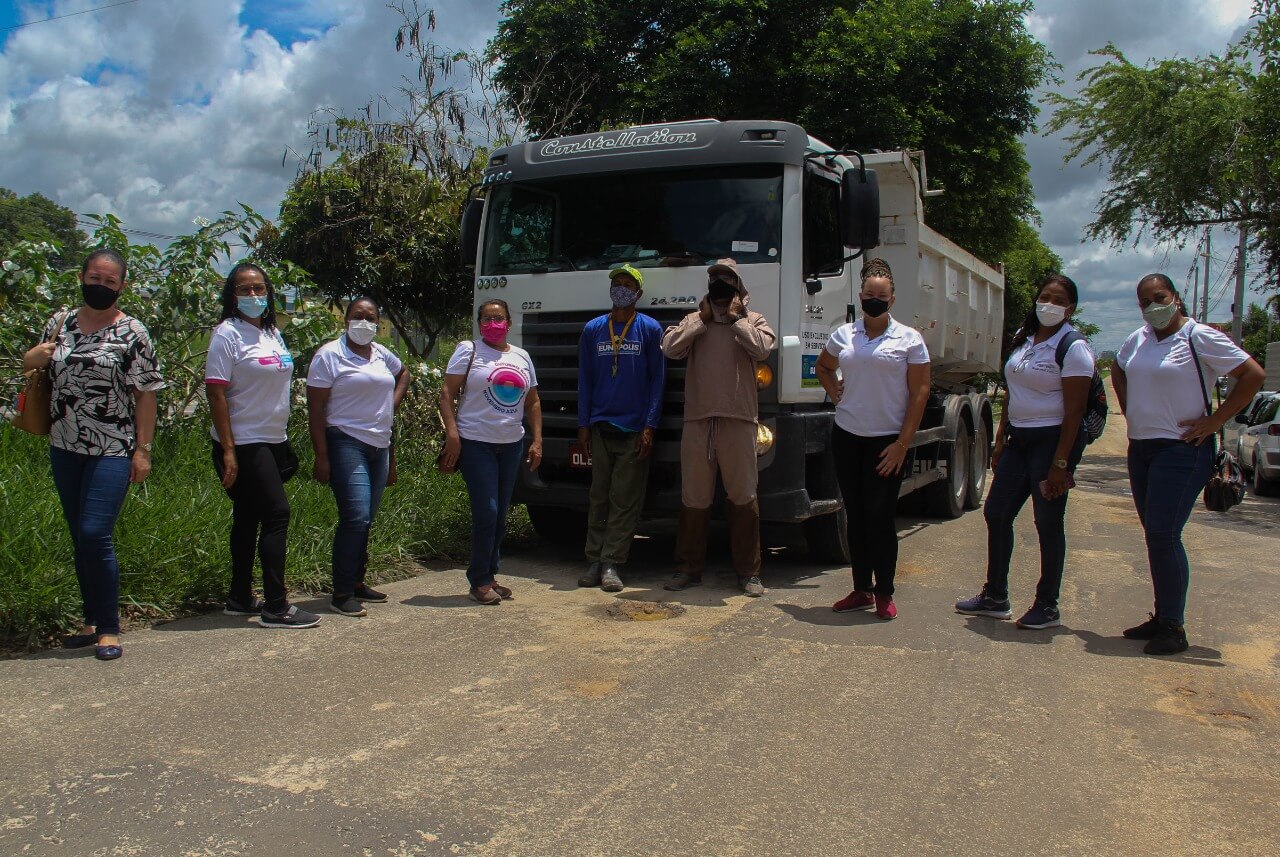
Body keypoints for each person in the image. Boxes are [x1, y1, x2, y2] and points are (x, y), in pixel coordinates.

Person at [1112, 273, 1264, 655]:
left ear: (1175, 297)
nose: (1152, 307)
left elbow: (1252, 374)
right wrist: (1131, 410)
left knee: (1165, 534)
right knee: (1154, 534)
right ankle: (1162, 614)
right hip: (1142, 449)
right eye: (1144, 302)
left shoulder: (1199, 337)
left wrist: (1216, 421)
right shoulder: (1139, 338)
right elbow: (1117, 368)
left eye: (1158, 297)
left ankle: (1174, 627)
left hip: (1181, 450)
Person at [23, 249, 163, 661]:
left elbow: (146, 395)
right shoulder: (61, 321)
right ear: (81, 277)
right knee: (78, 537)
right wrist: (31, 359)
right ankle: (88, 620)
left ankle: (109, 628)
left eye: (109, 281)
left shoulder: (133, 332)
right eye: (94, 278)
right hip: (64, 445)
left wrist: (143, 451)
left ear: (122, 286)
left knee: (93, 534)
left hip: (113, 448)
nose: (99, 286)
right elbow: (38, 367)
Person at [955, 274, 1095, 630]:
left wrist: (1060, 464)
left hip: (1053, 442)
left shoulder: (1073, 346)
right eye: (1044, 296)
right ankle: (995, 596)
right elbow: (1012, 395)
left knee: (1047, 522)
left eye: (1059, 300)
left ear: (1071, 308)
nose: (1049, 304)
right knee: (997, 513)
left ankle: (1047, 605)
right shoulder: (1027, 341)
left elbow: (1075, 412)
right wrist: (1000, 441)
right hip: (1020, 438)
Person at [205, 262, 320, 629]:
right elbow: (216, 392)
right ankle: (276, 605)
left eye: (259, 289)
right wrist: (228, 449)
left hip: (272, 439)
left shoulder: (271, 333)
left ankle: (240, 596)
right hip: (244, 441)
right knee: (277, 513)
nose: (253, 295)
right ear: (231, 295)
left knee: (249, 516)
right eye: (244, 289)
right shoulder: (227, 334)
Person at [815, 258, 930, 621]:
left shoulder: (910, 339)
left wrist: (901, 445)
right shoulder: (844, 334)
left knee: (879, 517)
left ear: (892, 299)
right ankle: (861, 588)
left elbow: (919, 393)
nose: (874, 300)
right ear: (860, 296)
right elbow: (823, 366)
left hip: (886, 443)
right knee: (856, 514)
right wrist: (836, 394)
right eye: (868, 294)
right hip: (848, 436)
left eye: (881, 296)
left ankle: (885, 592)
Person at [661, 258, 776, 596]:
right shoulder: (696, 320)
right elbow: (669, 348)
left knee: (743, 496)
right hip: (698, 420)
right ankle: (687, 568)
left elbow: (762, 348)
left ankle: (749, 573)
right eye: (714, 279)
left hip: (739, 421)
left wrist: (738, 318)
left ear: (739, 287)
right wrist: (701, 319)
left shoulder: (753, 320)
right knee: (694, 497)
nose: (720, 284)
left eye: (727, 279)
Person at [307, 298, 411, 617]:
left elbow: (403, 373)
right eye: (357, 316)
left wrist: (391, 403)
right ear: (346, 320)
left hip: (379, 445)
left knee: (366, 518)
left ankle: (356, 583)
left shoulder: (381, 353)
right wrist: (321, 455)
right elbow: (316, 409)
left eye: (371, 317)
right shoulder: (329, 355)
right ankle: (341, 592)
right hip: (345, 441)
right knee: (355, 516)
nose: (364, 322)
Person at [438, 300, 543, 605]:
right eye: (487, 319)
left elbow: (533, 401)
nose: (493, 323)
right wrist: (453, 435)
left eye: (498, 318)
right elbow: (446, 394)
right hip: (476, 443)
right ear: (479, 323)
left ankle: (490, 575)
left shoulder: (522, 356)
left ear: (509, 323)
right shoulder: (468, 350)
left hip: (511, 444)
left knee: (500, 516)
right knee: (487, 510)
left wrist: (537, 440)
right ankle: (479, 580)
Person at [575, 265, 665, 592]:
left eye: (628, 285)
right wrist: (583, 425)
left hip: (634, 427)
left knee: (624, 497)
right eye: (617, 283)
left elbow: (657, 383)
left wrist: (650, 426)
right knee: (599, 495)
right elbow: (585, 380)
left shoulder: (651, 330)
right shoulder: (593, 330)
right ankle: (594, 560)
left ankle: (612, 562)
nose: (622, 289)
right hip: (600, 425)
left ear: (638, 294)